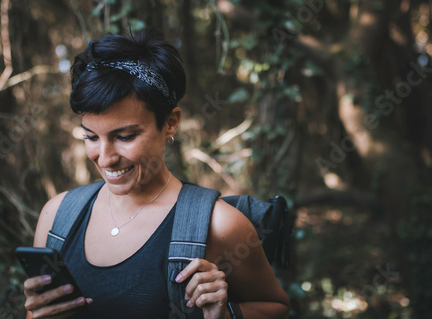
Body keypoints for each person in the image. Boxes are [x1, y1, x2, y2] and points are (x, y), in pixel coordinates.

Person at [23, 29, 290, 319]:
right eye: (91, 137)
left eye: (124, 136)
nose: (106, 157)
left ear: (171, 123)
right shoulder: (57, 217)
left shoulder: (220, 225)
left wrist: (227, 314)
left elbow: (277, 309)